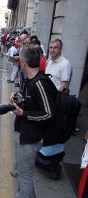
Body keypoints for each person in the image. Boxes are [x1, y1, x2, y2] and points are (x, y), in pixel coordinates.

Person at [1, 47, 56, 198]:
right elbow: (33, 104)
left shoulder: (40, 83)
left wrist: (23, 113)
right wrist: (18, 99)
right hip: (23, 134)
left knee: (25, 176)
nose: (18, 62)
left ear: (24, 64)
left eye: (19, 60)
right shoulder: (30, 81)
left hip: (31, 138)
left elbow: (48, 113)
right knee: (19, 172)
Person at [35, 38, 72, 180]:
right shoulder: (49, 62)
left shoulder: (65, 64)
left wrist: (50, 91)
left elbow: (64, 86)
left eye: (55, 47)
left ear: (60, 49)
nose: (52, 50)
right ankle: (43, 158)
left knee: (53, 133)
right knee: (44, 131)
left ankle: (53, 163)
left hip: (56, 103)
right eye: (50, 47)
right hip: (47, 100)